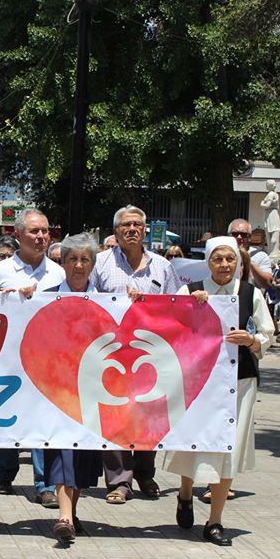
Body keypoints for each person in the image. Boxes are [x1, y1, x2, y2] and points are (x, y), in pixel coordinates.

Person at [163, 236, 274, 546]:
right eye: (218, 259)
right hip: (199, 381)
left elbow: (267, 333)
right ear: (208, 262)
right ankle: (185, 495)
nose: (224, 265)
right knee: (194, 440)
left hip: (239, 381)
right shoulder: (190, 290)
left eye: (229, 259)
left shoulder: (250, 294)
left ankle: (215, 520)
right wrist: (188, 308)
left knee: (229, 447)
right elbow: (170, 327)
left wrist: (251, 341)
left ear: (238, 262)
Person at [91, 205, 181, 504]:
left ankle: (145, 472)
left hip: (150, 352)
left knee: (149, 416)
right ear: (116, 231)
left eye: (137, 225)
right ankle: (119, 481)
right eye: (126, 225)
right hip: (113, 353)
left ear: (145, 230)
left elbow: (174, 304)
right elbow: (89, 304)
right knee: (115, 416)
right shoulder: (101, 263)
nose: (132, 229)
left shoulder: (162, 266)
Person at [0, 208, 65, 507]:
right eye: (34, 231)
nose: (42, 236)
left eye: (45, 231)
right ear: (17, 235)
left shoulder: (58, 273)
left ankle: (44, 483)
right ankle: (5, 472)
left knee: (40, 419)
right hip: (6, 356)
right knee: (4, 414)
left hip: (45, 358)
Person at [42, 233, 105, 542]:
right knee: (63, 450)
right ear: (62, 263)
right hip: (57, 389)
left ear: (92, 264)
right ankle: (64, 516)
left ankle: (73, 510)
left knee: (83, 455)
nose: (78, 265)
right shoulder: (45, 297)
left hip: (94, 391)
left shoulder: (110, 300)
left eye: (85, 259)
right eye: (72, 259)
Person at [227, 219, 272, 290]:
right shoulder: (220, 255)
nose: (239, 237)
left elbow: (267, 284)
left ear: (250, 237)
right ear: (228, 236)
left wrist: (246, 259)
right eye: (235, 234)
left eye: (243, 234)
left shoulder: (260, 256)